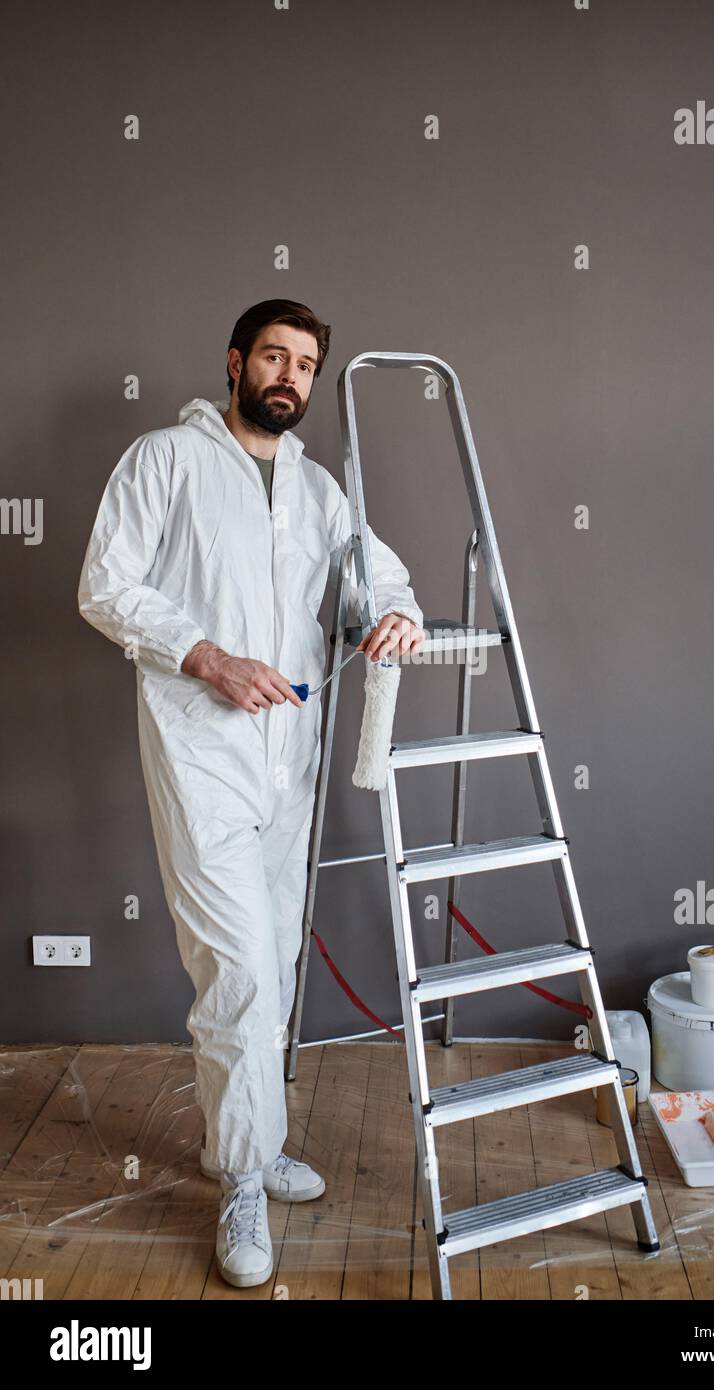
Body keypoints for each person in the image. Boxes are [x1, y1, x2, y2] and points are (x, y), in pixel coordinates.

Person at [78, 298, 425, 1287]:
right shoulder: (165, 460)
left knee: (274, 955)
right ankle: (237, 1177)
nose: (289, 376)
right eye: (273, 356)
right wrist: (207, 657)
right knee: (234, 970)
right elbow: (103, 584)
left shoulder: (317, 491)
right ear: (234, 362)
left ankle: (257, 1142)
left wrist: (393, 615)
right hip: (202, 750)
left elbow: (376, 579)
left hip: (293, 757)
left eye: (306, 365)